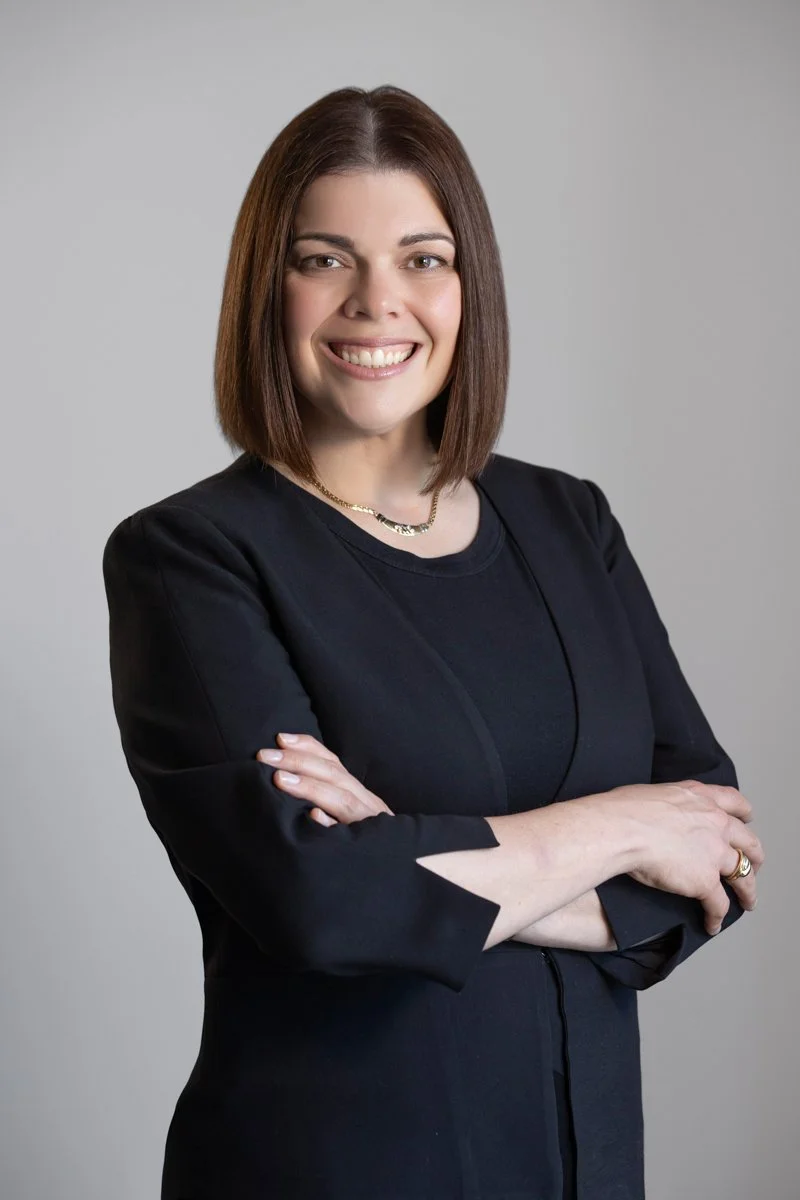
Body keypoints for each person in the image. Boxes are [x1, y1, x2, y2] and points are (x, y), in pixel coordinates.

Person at [102, 85, 764, 1200]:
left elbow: (715, 854)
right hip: (337, 1166)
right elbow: (319, 904)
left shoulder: (569, 522)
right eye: (324, 259)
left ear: (470, 288)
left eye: (422, 258)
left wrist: (410, 853)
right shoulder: (191, 556)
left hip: (581, 1161)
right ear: (268, 286)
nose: (377, 303)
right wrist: (617, 824)